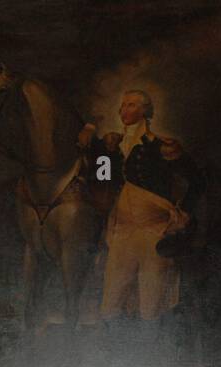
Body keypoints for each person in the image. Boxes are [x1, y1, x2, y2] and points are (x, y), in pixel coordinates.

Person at [78, 89, 204, 322]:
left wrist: (183, 213)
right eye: (123, 105)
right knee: (111, 301)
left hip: (153, 230)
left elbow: (196, 180)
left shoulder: (161, 145)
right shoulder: (113, 145)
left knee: (151, 302)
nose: (124, 110)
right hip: (122, 230)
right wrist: (89, 129)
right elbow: (95, 169)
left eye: (132, 105)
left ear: (145, 110)